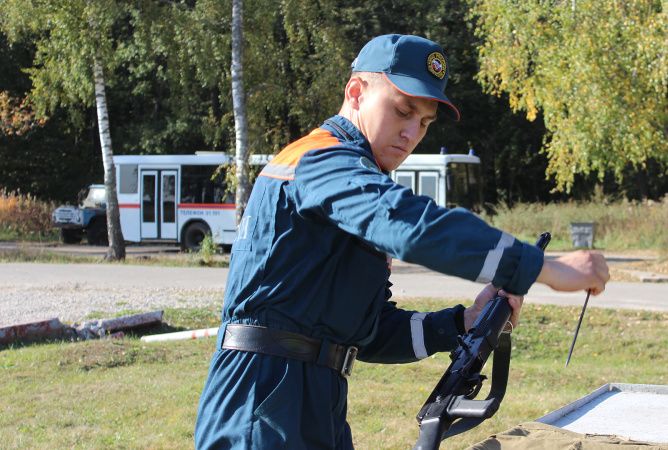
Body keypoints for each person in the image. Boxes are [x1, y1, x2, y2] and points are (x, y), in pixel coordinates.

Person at [194, 34, 609, 449]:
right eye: (402, 111)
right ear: (356, 92)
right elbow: (410, 224)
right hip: (263, 398)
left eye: (425, 123)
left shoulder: (353, 175)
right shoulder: (321, 159)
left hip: (315, 395)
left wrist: (461, 324)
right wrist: (542, 269)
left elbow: (368, 333)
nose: (411, 133)